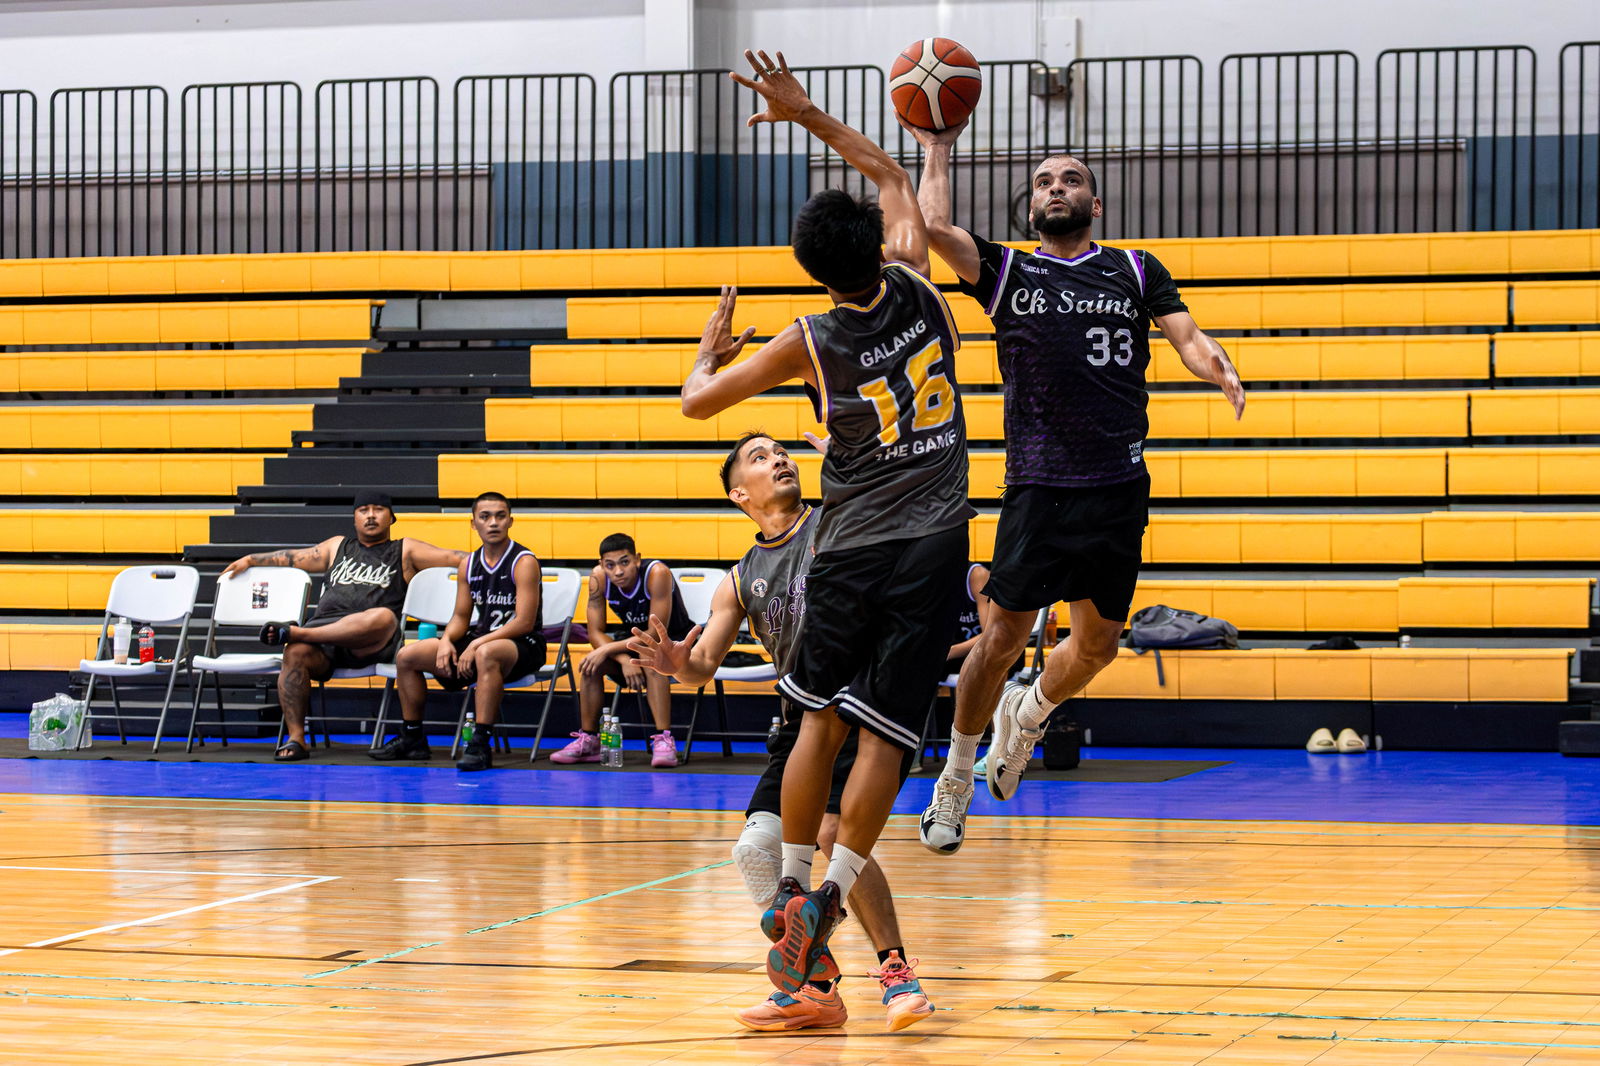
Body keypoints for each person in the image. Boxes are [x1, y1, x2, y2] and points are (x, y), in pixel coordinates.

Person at [683, 49, 973, 1001]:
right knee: (885, 735)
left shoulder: (806, 340)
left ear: (812, 273)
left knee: (815, 715)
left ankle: (794, 885)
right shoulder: (919, 283)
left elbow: (696, 405)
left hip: (850, 544)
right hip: (935, 539)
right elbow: (891, 175)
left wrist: (707, 355)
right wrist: (808, 114)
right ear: (879, 246)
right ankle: (832, 896)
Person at [903, 119, 1247, 853]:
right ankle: (955, 778)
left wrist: (1216, 363)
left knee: (1097, 648)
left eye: (1072, 179)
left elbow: (1187, 336)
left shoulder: (1135, 268)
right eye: (1043, 182)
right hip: (1039, 487)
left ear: (1096, 203)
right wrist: (936, 146)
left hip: (1117, 486)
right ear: (1031, 208)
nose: (1056, 188)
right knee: (1001, 638)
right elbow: (932, 229)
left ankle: (1027, 715)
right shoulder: (1007, 273)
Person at [628, 433, 933, 1032]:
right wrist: (676, 666)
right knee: (755, 851)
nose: (781, 459)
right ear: (739, 494)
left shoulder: (835, 523)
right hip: (798, 721)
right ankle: (815, 986)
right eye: (761, 457)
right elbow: (702, 664)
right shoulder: (740, 577)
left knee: (832, 834)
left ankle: (897, 974)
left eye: (783, 452)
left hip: (858, 704)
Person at [220, 491, 467, 762]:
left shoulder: (404, 549)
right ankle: (296, 738)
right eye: (363, 510)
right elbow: (294, 556)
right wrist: (251, 559)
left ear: (392, 518)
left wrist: (499, 560)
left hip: (369, 641)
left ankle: (297, 632)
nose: (370, 515)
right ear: (354, 518)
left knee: (384, 617)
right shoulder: (337, 546)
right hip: (324, 643)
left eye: (378, 509)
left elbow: (456, 558)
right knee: (295, 652)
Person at [370, 491, 544, 772]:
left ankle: (480, 744)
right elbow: (461, 616)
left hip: (523, 643)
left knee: (486, 652)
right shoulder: (469, 564)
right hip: (483, 640)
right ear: (474, 523)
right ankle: (412, 737)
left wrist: (475, 645)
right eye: (485, 517)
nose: (493, 522)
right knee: (407, 656)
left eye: (500, 516)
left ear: (510, 521)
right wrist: (447, 640)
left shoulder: (523, 562)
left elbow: (524, 622)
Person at [551, 533, 693, 767]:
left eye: (624, 562)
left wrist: (618, 652)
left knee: (652, 656)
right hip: (631, 645)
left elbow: (654, 634)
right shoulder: (598, 578)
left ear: (637, 559)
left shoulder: (657, 573)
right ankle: (589, 739)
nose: (618, 571)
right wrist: (623, 659)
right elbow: (594, 632)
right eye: (610, 565)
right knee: (591, 664)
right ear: (601, 565)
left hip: (673, 644)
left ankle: (664, 739)